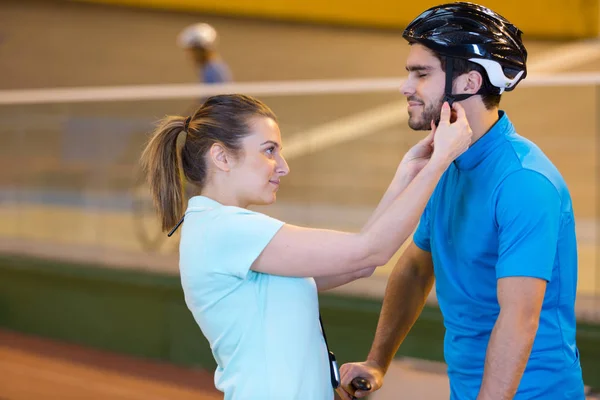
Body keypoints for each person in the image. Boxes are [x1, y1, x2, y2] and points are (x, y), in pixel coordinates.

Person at [140, 93, 472, 399]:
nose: (283, 165)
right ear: (222, 157)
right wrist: (439, 161)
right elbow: (371, 250)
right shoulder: (226, 230)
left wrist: (408, 173)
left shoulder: (224, 231)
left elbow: (360, 263)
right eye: (269, 150)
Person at [338, 3, 586, 400]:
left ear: (469, 82)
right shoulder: (447, 161)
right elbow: (417, 267)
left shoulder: (524, 181)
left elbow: (519, 319)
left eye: (421, 74)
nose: (406, 87)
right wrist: (376, 361)